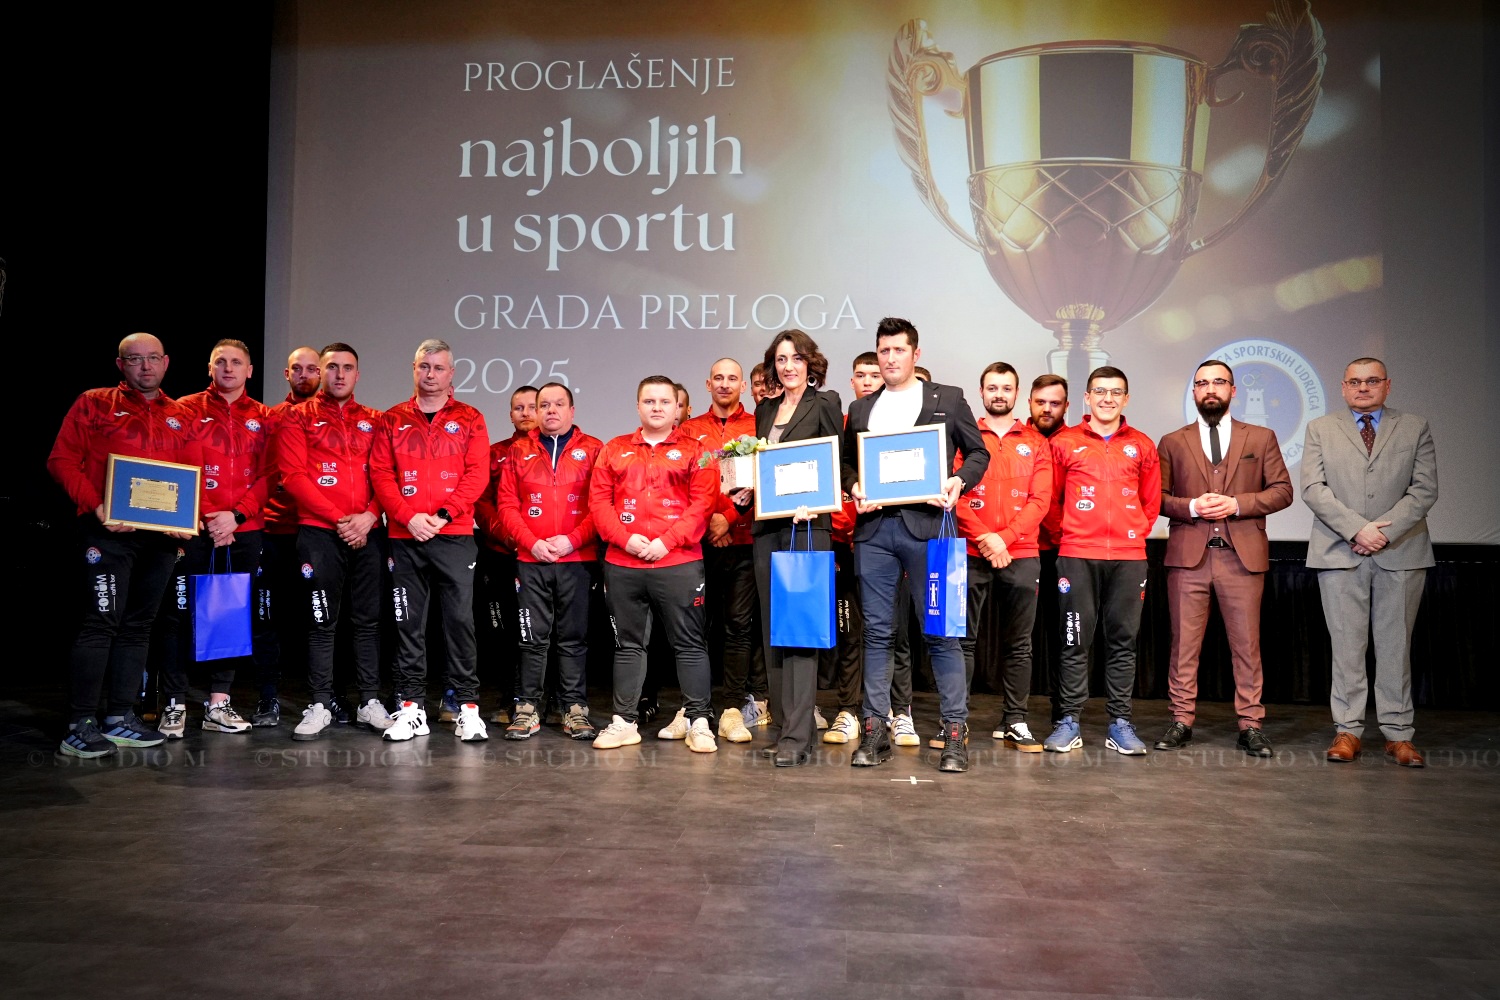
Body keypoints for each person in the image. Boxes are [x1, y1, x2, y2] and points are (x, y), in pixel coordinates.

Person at [842, 317, 989, 773]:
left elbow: (978, 453)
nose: (890, 359)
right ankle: (874, 732)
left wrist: (958, 481)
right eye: (883, 351)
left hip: (931, 529)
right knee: (877, 634)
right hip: (875, 533)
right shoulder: (861, 408)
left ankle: (955, 736)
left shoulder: (948, 398)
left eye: (898, 350)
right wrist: (854, 486)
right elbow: (846, 463)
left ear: (915, 354)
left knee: (943, 632)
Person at [48, 333, 190, 757]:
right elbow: (61, 460)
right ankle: (80, 723)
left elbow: (192, 472)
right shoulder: (94, 403)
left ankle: (120, 716)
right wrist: (97, 506)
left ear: (165, 362)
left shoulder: (180, 414)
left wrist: (188, 519)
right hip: (107, 533)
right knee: (100, 623)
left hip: (160, 538)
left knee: (139, 626)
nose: (145, 366)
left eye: (152, 358)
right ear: (120, 364)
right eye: (135, 359)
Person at [1302, 358, 1437, 767]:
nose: (1363, 388)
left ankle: (1398, 734)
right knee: (1346, 647)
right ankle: (1348, 731)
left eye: (1372, 381)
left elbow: (1424, 489)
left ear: (1387, 385)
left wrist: (1383, 533)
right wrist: (1357, 529)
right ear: (1343, 387)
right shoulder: (1320, 428)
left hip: (1401, 551)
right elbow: (1313, 488)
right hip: (1339, 551)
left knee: (1396, 647)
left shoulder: (1414, 427)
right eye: (1355, 382)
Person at [1155, 360, 1292, 756]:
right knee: (1184, 646)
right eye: (1202, 383)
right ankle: (1181, 721)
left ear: (1233, 390)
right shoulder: (1172, 441)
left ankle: (1250, 725)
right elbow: (1157, 497)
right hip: (1189, 559)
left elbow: (1283, 491)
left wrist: (1237, 503)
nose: (1210, 389)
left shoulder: (1261, 437)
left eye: (1218, 382)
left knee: (1247, 646)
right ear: (1194, 392)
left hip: (1241, 558)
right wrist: (1192, 507)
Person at [587, 376, 718, 752]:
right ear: (638, 406)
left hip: (678, 561)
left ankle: (698, 721)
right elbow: (599, 503)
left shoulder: (697, 450)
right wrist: (624, 539)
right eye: (649, 401)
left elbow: (703, 503)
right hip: (623, 563)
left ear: (678, 407)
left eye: (664, 401)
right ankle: (624, 722)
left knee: (689, 644)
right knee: (628, 645)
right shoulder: (614, 449)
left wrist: (666, 541)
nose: (657, 407)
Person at [370, 339, 491, 742]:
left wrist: (441, 516)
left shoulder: (470, 418)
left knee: (460, 623)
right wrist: (408, 517)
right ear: (414, 369)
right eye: (424, 366)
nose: (431, 374)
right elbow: (381, 474)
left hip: (453, 536)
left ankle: (468, 709)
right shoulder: (392, 419)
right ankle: (411, 709)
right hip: (405, 537)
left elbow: (477, 474)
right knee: (408, 625)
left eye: (439, 368)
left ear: (451, 373)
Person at [156, 339, 273, 737]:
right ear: (210, 368)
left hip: (244, 530)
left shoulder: (265, 417)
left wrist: (236, 516)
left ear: (249, 370)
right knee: (177, 614)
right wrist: (208, 514)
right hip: (194, 527)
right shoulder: (183, 409)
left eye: (236, 362)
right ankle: (174, 703)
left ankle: (218, 703)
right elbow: (174, 465)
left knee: (231, 614)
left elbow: (271, 475)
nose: (228, 368)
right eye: (220, 361)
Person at [275, 343, 391, 739]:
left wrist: (370, 516)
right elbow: (293, 477)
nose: (340, 374)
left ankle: (369, 701)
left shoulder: (376, 420)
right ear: (321, 373)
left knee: (368, 621)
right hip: (320, 533)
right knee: (321, 621)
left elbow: (386, 475)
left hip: (369, 531)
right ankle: (321, 703)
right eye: (332, 367)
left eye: (348, 367)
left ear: (358, 374)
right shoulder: (296, 417)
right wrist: (342, 521)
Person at [1044, 366, 1161, 756]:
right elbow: (1051, 500)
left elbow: (1150, 503)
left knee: (1123, 642)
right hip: (1077, 556)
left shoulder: (1142, 445)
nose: (1107, 399)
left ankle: (1120, 723)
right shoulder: (1065, 442)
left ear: (1126, 399)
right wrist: (1071, 535)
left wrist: (1132, 533)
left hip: (1129, 559)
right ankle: (1069, 721)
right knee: (1074, 641)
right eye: (1100, 391)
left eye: (1115, 392)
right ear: (1087, 397)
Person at [748, 331, 843, 766]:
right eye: (781, 359)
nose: (788, 366)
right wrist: (746, 493)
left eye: (796, 358)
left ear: (810, 364)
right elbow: (764, 470)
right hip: (768, 528)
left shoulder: (825, 403)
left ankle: (798, 737)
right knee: (774, 631)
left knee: (800, 631)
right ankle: (787, 728)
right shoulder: (765, 409)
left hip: (807, 528)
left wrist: (817, 500)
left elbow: (837, 463)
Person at [952, 362, 1054, 752]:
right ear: (981, 393)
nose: (999, 394)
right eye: (992, 387)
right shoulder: (964, 437)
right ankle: (955, 722)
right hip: (970, 550)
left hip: (1021, 552)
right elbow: (954, 495)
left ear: (1017, 394)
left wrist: (1004, 539)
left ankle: (1015, 720)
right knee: (962, 642)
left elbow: (1040, 501)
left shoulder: (1036, 442)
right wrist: (985, 538)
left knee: (1019, 644)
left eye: (1006, 388)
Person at [496, 381, 603, 742]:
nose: (550, 410)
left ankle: (574, 709)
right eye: (544, 405)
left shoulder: (594, 449)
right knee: (531, 638)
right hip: (532, 559)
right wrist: (532, 543)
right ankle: (527, 709)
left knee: (573, 638)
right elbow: (506, 505)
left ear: (572, 411)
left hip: (577, 558)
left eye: (558, 404)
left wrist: (571, 540)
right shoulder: (518, 451)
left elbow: (601, 506)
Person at [676, 358, 767, 744]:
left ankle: (731, 708)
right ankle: (691, 708)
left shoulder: (758, 426)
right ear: (707, 384)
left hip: (744, 542)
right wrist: (710, 523)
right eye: (718, 378)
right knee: (695, 628)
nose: (725, 384)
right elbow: (680, 486)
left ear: (743, 386)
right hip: (697, 544)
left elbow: (764, 479)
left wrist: (727, 519)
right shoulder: (688, 430)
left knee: (738, 627)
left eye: (732, 378)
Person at [252, 346, 322, 727]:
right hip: (274, 532)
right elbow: (260, 473)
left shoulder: (334, 420)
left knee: (321, 620)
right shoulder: (271, 418)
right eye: (298, 369)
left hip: (319, 532)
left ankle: (325, 699)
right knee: (267, 619)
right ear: (287, 374)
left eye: (312, 369)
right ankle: (267, 697)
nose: (304, 375)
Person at [819, 353, 882, 746]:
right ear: (852, 382)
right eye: (861, 375)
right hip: (838, 544)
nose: (868, 381)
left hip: (881, 544)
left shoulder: (895, 429)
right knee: (842, 630)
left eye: (875, 375)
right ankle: (842, 708)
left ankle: (885, 710)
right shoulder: (839, 428)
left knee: (881, 633)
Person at [471, 384, 539, 725]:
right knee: (503, 631)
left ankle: (548, 697)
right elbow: (481, 502)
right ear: (510, 414)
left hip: (542, 554)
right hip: (500, 552)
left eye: (532, 406)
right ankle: (508, 695)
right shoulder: (494, 453)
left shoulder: (552, 452)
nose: (526, 413)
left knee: (541, 629)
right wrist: (508, 535)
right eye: (518, 408)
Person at [1027, 374, 1070, 724]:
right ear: (1029, 402)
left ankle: (1063, 712)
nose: (1046, 409)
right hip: (1019, 548)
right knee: (1017, 638)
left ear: (1066, 406)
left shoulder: (1075, 442)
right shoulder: (1015, 439)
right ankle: (1013, 715)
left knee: (1063, 636)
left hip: (1064, 551)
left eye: (1054, 403)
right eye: (1040, 402)